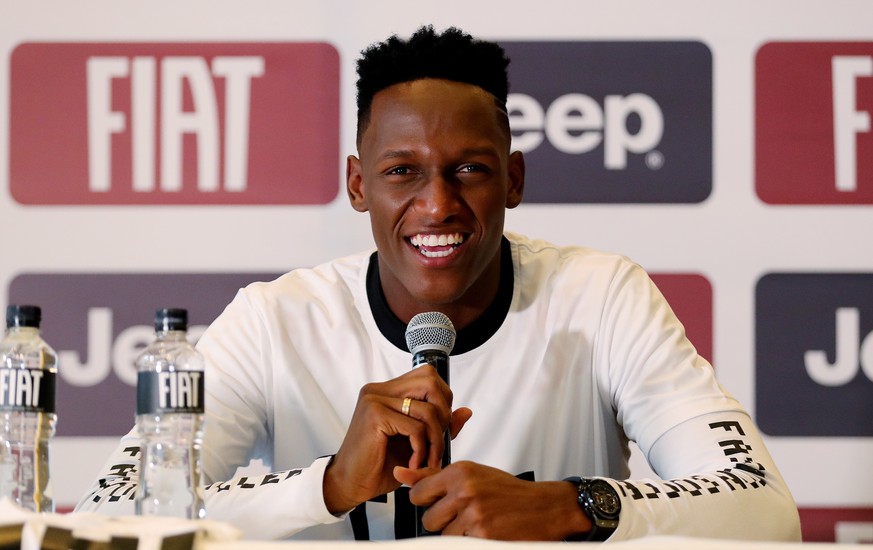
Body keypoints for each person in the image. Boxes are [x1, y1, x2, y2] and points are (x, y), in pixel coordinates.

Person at [77, 26, 801, 542]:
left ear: (512, 179)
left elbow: (764, 511)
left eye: (469, 169)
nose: (436, 206)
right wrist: (327, 485)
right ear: (357, 185)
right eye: (401, 172)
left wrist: (570, 506)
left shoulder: (601, 295)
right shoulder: (274, 321)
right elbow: (104, 518)